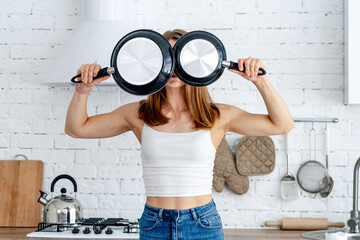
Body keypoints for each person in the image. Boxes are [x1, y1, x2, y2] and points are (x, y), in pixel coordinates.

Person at [65, 29, 294, 240]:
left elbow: (282, 125)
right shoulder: (139, 113)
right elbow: (76, 129)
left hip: (202, 223)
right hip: (155, 224)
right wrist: (83, 88)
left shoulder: (217, 115)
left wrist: (260, 80)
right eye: (166, 56)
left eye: (180, 56)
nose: (173, 65)